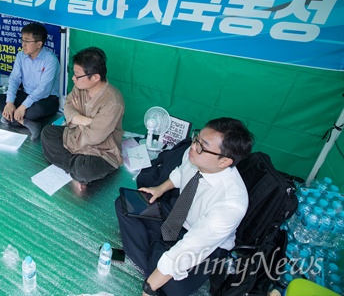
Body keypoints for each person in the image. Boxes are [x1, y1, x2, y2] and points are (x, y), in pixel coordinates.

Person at [114, 118, 254, 296]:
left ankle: (157, 254)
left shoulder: (232, 203)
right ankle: (158, 255)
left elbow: (192, 246)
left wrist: (148, 288)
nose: (193, 146)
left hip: (205, 244)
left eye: (202, 145)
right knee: (125, 204)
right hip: (177, 216)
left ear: (224, 162)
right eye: (196, 138)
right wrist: (160, 189)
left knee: (174, 288)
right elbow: (181, 173)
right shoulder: (194, 154)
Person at [40, 47, 124, 187]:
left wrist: (74, 118)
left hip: (100, 150)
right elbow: (67, 106)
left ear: (96, 77)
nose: (74, 78)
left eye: (78, 75)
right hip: (74, 137)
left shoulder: (113, 101)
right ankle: (75, 170)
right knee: (47, 133)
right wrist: (85, 120)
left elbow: (94, 138)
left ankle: (76, 169)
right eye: (74, 74)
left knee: (85, 169)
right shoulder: (80, 86)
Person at [0, 22, 60, 141]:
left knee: (37, 110)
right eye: (22, 40)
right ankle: (27, 122)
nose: (23, 44)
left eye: (27, 41)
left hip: (46, 98)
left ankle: (12, 118)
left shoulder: (50, 60)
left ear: (39, 44)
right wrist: (10, 103)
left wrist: (23, 106)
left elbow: (43, 89)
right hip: (26, 94)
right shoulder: (21, 56)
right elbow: (14, 79)